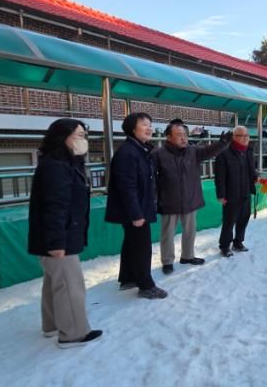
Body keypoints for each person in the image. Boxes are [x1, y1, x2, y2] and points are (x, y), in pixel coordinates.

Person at [28, 118, 103, 348]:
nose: (83, 140)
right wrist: (57, 242)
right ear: (63, 138)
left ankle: (51, 325)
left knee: (55, 281)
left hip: (59, 233)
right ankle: (73, 333)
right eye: (79, 135)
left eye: (84, 135)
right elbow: (55, 206)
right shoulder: (56, 166)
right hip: (59, 235)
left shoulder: (66, 162)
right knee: (70, 285)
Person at [152, 119, 231, 274]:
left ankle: (187, 256)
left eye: (185, 134)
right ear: (168, 137)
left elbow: (209, 151)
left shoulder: (193, 151)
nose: (183, 138)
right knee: (167, 234)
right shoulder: (158, 154)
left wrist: (222, 142)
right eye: (179, 135)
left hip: (190, 199)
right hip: (169, 201)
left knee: (190, 230)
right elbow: (151, 178)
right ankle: (167, 261)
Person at [105, 112, 167, 299]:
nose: (149, 128)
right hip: (135, 210)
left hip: (139, 207)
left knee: (132, 243)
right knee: (141, 247)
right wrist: (136, 214)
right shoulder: (128, 153)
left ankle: (128, 278)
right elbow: (127, 187)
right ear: (133, 129)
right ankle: (146, 285)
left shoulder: (141, 150)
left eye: (150, 124)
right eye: (144, 124)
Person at [215, 125, 258, 257]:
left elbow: (251, 169)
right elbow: (220, 178)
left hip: (246, 192)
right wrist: (221, 195)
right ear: (234, 137)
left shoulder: (248, 152)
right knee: (229, 222)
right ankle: (224, 246)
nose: (245, 138)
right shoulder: (224, 155)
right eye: (241, 136)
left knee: (243, 219)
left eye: (247, 136)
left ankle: (238, 242)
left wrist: (256, 178)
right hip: (231, 195)